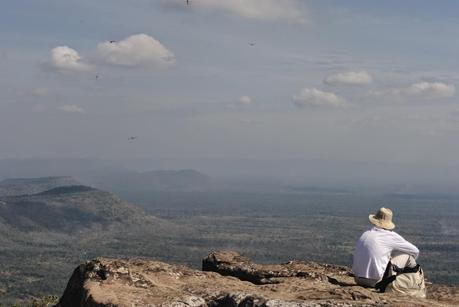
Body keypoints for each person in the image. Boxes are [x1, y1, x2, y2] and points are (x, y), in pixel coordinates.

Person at [352, 207, 419, 288]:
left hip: (357, 279)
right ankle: (409, 285)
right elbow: (415, 251)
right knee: (408, 257)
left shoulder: (366, 233)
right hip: (375, 282)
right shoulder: (390, 236)